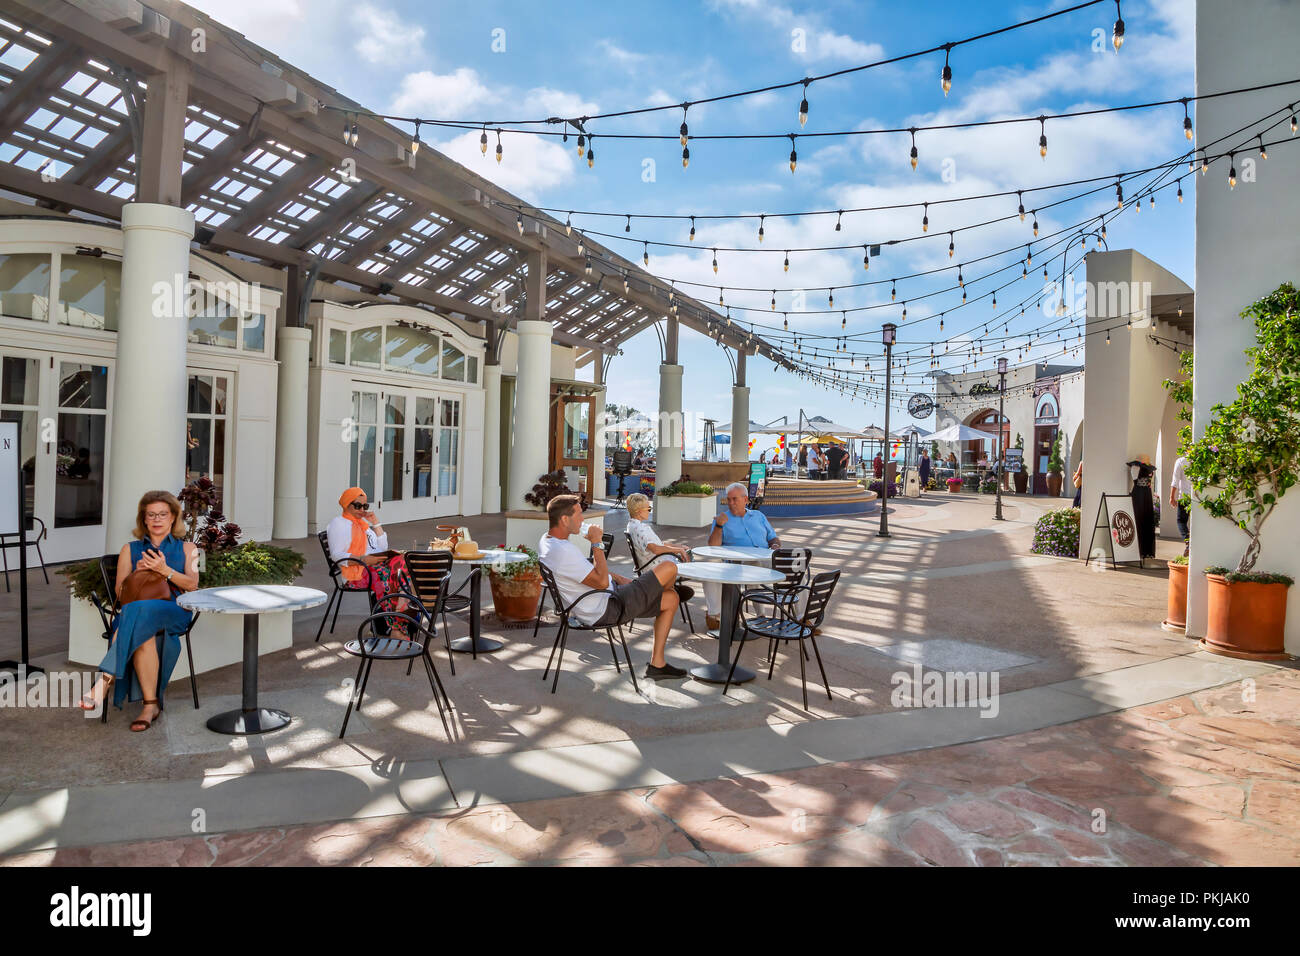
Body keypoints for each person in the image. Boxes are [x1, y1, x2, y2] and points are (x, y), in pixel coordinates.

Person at [77, 491, 201, 731]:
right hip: (136, 615)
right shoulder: (129, 549)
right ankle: (149, 705)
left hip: (173, 611)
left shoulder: (191, 548)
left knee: (136, 614)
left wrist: (164, 570)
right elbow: (121, 595)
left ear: (174, 517)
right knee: (142, 630)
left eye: (163, 514)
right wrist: (139, 573)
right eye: (151, 514)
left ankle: (104, 680)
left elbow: (193, 585)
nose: (157, 519)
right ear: (143, 519)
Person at [539, 494, 686, 679]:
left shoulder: (548, 542)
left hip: (605, 597)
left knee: (672, 599)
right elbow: (600, 581)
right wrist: (596, 543)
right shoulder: (563, 551)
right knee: (670, 567)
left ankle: (657, 664)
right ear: (564, 519)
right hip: (607, 608)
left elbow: (588, 574)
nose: (583, 519)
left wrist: (618, 578)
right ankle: (654, 589)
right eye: (578, 515)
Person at [327, 487, 410, 632]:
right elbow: (336, 554)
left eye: (364, 506)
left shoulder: (363, 525)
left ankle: (400, 615)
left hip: (372, 565)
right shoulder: (338, 524)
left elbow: (382, 548)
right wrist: (363, 559)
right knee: (384, 574)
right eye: (357, 505)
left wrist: (375, 523)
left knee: (404, 563)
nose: (361, 509)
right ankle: (395, 625)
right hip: (355, 573)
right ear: (347, 504)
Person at [702, 482, 781, 631]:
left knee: (798, 569)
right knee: (709, 572)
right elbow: (713, 546)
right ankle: (715, 616)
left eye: (735, 499)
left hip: (764, 557)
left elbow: (773, 538)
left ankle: (802, 617)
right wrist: (719, 526)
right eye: (729, 499)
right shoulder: (722, 518)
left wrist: (775, 546)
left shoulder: (758, 516)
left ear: (746, 500)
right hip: (735, 563)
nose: (731, 503)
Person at [624, 492, 697, 606]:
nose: (650, 510)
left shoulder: (634, 526)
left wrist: (678, 546)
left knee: (687, 556)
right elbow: (655, 549)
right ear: (639, 511)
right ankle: (668, 593)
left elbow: (659, 544)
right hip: (656, 568)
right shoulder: (639, 529)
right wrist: (678, 551)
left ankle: (670, 592)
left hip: (656, 563)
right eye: (648, 508)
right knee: (691, 563)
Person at [1126, 454, 1158, 558]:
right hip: (1140, 494)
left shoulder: (1148, 468)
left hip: (1145, 494)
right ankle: (1138, 549)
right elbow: (1136, 480)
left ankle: (1145, 550)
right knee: (1138, 519)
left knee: (1146, 520)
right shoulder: (1136, 467)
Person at [1170, 454, 1192, 555]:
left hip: (1185, 498)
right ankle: (1192, 544)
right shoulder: (1201, 459)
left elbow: (1175, 481)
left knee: (1181, 521)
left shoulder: (1181, 461)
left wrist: (1172, 497)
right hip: (1199, 498)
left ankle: (1188, 542)